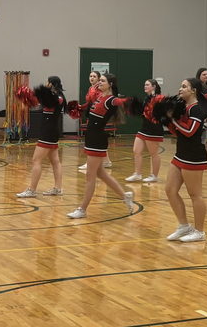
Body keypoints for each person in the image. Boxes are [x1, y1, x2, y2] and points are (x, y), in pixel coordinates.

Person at [67, 73, 135, 219]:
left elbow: (122, 101)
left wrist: (134, 102)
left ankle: (82, 209)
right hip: (91, 138)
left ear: (110, 84)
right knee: (101, 174)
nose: (99, 83)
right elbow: (87, 107)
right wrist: (77, 107)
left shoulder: (111, 100)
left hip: (97, 140)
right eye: (99, 80)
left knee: (90, 176)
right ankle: (125, 196)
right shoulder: (99, 97)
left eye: (102, 81)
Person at [163, 78, 207, 242]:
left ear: (194, 90)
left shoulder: (197, 110)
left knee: (195, 194)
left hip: (194, 156)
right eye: (180, 85)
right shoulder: (184, 108)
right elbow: (179, 133)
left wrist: (173, 119)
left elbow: (190, 131)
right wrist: (167, 121)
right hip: (180, 153)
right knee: (170, 189)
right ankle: (183, 226)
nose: (180, 89)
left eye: (184, 86)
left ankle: (200, 232)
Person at [16, 76, 67, 197]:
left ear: (51, 84)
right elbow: (41, 101)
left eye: (47, 82)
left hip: (48, 132)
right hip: (51, 131)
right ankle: (58, 189)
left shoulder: (58, 98)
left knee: (36, 160)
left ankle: (32, 190)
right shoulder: (53, 97)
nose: (45, 83)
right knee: (55, 160)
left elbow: (52, 101)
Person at [125, 79, 164, 184]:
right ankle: (138, 174)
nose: (145, 86)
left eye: (147, 85)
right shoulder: (147, 98)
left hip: (154, 129)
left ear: (154, 86)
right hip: (144, 127)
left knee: (153, 153)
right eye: (145, 84)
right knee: (136, 150)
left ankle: (154, 175)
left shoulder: (158, 98)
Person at [79, 71, 111, 170]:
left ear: (98, 79)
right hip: (92, 114)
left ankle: (90, 163)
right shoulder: (91, 88)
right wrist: (80, 107)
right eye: (90, 76)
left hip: (98, 116)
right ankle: (106, 161)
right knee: (97, 139)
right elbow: (89, 102)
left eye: (94, 76)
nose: (92, 78)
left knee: (93, 140)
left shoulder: (99, 89)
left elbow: (96, 101)